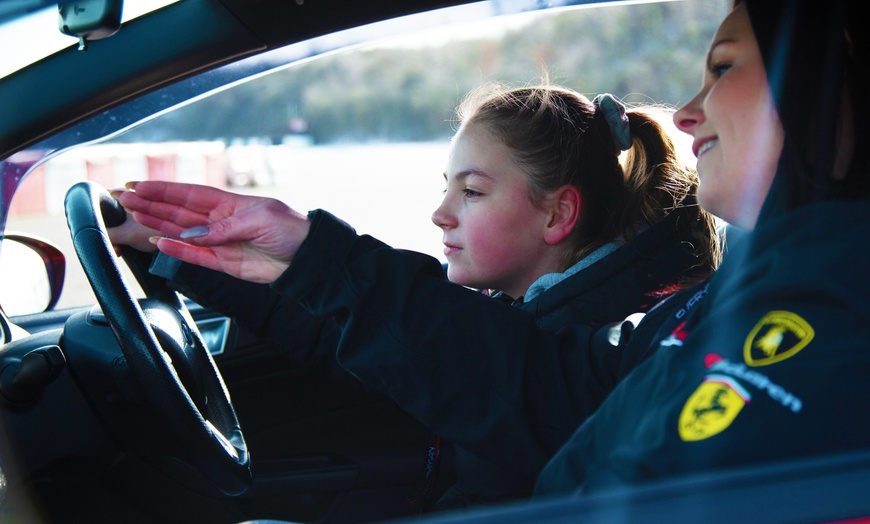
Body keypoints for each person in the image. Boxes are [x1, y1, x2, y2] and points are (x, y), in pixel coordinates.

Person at [115, 0, 870, 501]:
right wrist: (232, 256)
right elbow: (552, 393)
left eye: (726, 66)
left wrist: (314, 260)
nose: (687, 110)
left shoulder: (821, 306)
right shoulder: (756, 283)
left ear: (826, 74)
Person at [111, 83, 719, 509]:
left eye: (472, 192)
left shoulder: (585, 347)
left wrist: (315, 259)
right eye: (446, 188)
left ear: (557, 213)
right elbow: (353, 340)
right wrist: (176, 251)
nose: (440, 215)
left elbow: (465, 356)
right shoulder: (519, 320)